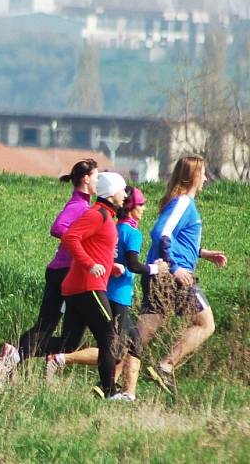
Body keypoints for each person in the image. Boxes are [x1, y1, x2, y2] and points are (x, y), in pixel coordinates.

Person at [45, 186, 169, 401]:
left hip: (102, 290)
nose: (144, 208)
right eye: (141, 204)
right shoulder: (131, 233)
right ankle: (68, 363)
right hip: (115, 294)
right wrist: (155, 268)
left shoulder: (114, 227)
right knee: (113, 343)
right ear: (131, 207)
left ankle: (120, 390)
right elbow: (132, 264)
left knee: (126, 342)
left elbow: (102, 254)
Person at [0, 159, 99, 382]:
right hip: (63, 273)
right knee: (48, 327)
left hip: (64, 272)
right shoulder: (79, 206)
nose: (98, 182)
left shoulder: (83, 205)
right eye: (96, 177)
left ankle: (14, 355)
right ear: (86, 179)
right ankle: (15, 356)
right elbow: (58, 227)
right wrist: (78, 241)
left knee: (59, 333)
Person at [138, 155, 227, 395]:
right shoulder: (184, 202)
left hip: (161, 274)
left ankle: (108, 384)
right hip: (174, 276)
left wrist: (202, 253)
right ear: (193, 176)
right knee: (205, 323)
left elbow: (176, 238)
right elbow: (160, 233)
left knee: (140, 336)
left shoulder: (180, 202)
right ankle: (165, 366)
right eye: (203, 173)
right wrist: (175, 267)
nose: (206, 177)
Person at [43, 172, 127, 399]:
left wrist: (110, 267)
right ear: (111, 193)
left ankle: (16, 351)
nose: (125, 194)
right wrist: (90, 265)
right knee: (110, 337)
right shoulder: (98, 214)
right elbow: (70, 237)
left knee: (69, 343)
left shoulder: (105, 215)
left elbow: (95, 247)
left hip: (79, 286)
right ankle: (110, 392)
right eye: (123, 190)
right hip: (88, 286)